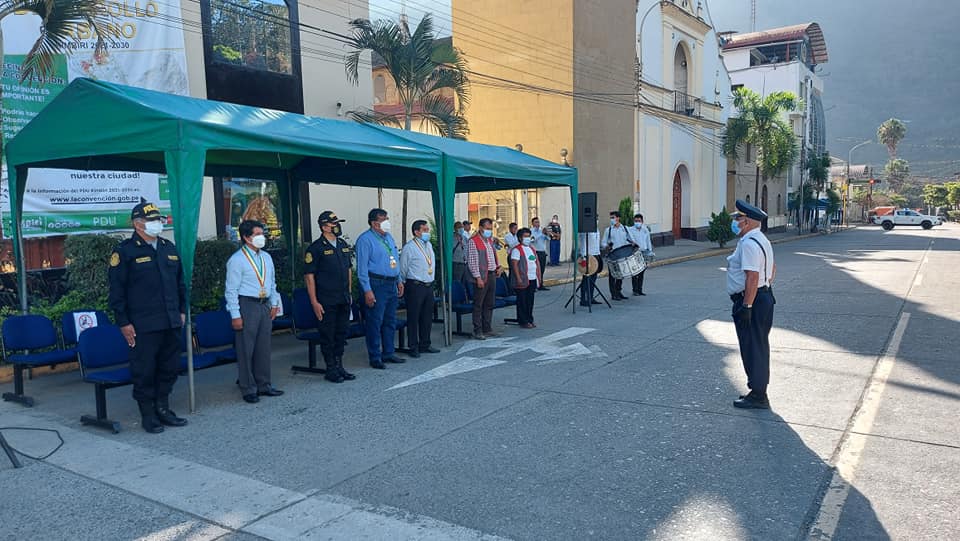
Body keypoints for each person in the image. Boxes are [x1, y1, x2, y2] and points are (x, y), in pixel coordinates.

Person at [108, 199, 188, 433]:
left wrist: (182, 311)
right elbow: (117, 291)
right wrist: (123, 322)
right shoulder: (125, 252)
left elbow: (180, 283)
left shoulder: (167, 247)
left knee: (169, 367)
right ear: (137, 224)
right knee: (144, 370)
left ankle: (163, 408)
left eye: (158, 219)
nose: (157, 223)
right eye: (152, 220)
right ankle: (148, 414)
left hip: (171, 320)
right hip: (143, 324)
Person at [225, 220, 283, 403]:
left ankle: (264, 384)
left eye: (262, 233)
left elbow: (272, 282)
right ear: (246, 237)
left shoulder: (266, 257)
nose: (261, 237)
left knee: (263, 347)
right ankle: (248, 388)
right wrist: (235, 315)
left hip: (264, 303)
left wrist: (274, 304)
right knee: (245, 348)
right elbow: (231, 290)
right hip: (247, 304)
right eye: (257, 234)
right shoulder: (236, 260)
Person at [727, 199, 777, 409]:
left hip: (753, 301)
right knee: (759, 345)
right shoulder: (761, 240)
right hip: (763, 297)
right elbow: (772, 269)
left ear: (746, 221)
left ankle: (758, 395)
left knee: (752, 347)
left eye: (737, 218)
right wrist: (764, 289)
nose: (735, 222)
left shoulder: (748, 243)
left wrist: (747, 306)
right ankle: (758, 389)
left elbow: (752, 277)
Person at [303, 211, 355, 383]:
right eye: (334, 224)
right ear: (324, 226)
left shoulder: (342, 244)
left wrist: (349, 293)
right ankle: (330, 368)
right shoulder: (316, 248)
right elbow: (309, 277)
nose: (337, 226)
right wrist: (314, 302)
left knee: (341, 333)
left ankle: (340, 365)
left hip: (342, 298)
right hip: (326, 299)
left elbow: (348, 270)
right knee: (328, 334)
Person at [356, 208, 404, 369]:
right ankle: (375, 356)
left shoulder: (388, 237)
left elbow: (395, 259)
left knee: (390, 320)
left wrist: (399, 280)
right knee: (375, 321)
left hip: (391, 283)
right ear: (374, 223)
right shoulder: (365, 240)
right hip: (376, 284)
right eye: (384, 219)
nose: (387, 222)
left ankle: (388, 352)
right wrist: (367, 290)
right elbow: (362, 268)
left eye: (387, 218)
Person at [399, 220, 439, 358]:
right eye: (425, 230)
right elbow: (403, 267)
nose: (427, 232)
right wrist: (403, 282)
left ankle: (425, 343)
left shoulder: (428, 245)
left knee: (427, 316)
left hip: (428, 285)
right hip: (415, 285)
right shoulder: (409, 247)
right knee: (414, 316)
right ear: (416, 232)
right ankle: (413, 346)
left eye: (428, 229)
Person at [466, 217, 502, 340]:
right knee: (478, 304)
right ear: (480, 228)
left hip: (492, 274)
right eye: (487, 228)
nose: (489, 231)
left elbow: (492, 256)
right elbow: (472, 261)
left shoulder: (489, 241)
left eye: (490, 229)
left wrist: (498, 266)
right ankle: (478, 330)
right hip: (481, 276)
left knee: (489, 303)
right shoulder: (473, 241)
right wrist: (478, 277)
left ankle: (487, 328)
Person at [510, 228, 542, 328]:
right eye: (525, 236)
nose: (527, 238)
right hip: (523, 279)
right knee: (522, 301)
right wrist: (518, 278)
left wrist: (539, 276)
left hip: (532, 278)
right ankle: (523, 321)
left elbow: (536, 262)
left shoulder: (532, 249)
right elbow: (514, 265)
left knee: (530, 300)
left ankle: (529, 319)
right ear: (520, 238)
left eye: (529, 236)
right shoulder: (517, 250)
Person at [601, 210, 635, 301]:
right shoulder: (608, 230)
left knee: (621, 275)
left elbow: (630, 239)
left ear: (618, 218)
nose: (612, 219)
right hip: (612, 255)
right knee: (612, 276)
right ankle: (613, 294)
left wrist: (633, 243)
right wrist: (607, 246)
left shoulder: (624, 228)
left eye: (613, 217)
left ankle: (618, 292)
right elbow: (603, 243)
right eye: (611, 218)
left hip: (622, 255)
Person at [628, 213, 653, 296]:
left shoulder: (645, 230)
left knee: (642, 272)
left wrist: (650, 251)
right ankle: (635, 290)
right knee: (635, 272)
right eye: (636, 221)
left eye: (639, 221)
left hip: (644, 252)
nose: (637, 222)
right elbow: (628, 240)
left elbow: (648, 241)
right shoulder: (630, 230)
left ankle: (640, 289)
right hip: (634, 253)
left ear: (642, 221)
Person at [577, 230, 603, 307]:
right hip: (588, 255)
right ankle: (583, 299)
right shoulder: (585, 230)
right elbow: (582, 242)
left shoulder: (597, 230)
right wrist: (583, 256)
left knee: (593, 278)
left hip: (596, 254)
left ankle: (590, 297)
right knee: (586, 278)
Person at [530, 217, 550, 291]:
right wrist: (541, 234)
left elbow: (549, 239)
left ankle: (541, 284)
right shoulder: (531, 231)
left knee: (542, 269)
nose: (537, 224)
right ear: (532, 223)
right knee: (534, 269)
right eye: (536, 222)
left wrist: (546, 234)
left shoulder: (542, 231)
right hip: (535, 252)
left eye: (538, 222)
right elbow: (532, 240)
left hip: (542, 252)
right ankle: (534, 285)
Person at [452, 221, 468, 286]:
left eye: (462, 227)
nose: (461, 229)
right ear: (455, 228)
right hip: (456, 263)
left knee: (464, 282)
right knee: (457, 282)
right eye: (459, 227)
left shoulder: (464, 238)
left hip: (464, 263)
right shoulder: (451, 238)